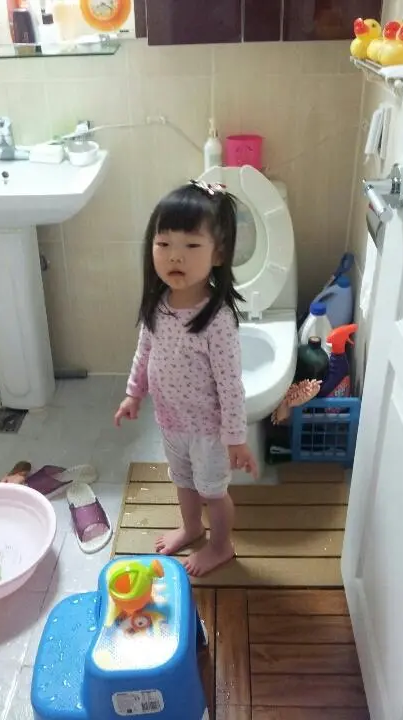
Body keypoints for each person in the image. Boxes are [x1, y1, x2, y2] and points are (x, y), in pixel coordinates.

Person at [114, 180, 258, 577]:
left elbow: (231, 385)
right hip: (171, 420)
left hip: (208, 430)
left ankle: (221, 545)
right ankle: (192, 527)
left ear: (218, 253)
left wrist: (236, 438)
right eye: (164, 244)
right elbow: (145, 350)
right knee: (183, 481)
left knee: (213, 490)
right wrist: (133, 394)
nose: (175, 256)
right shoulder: (158, 304)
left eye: (191, 245)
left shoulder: (217, 320)